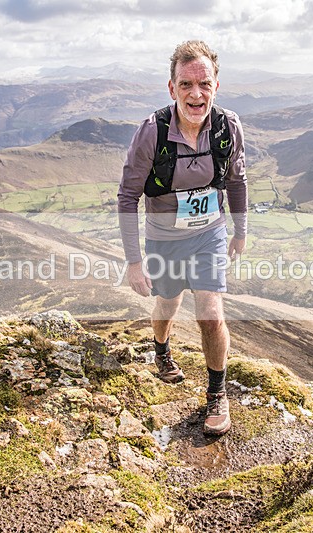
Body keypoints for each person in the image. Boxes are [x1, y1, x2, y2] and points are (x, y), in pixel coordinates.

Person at [117, 40, 247, 436]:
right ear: (172, 88)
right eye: (186, 84)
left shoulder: (228, 128)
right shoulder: (151, 133)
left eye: (204, 84)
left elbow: (238, 179)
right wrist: (134, 262)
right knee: (168, 302)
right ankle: (161, 349)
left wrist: (240, 231)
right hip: (164, 239)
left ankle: (216, 395)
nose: (196, 94)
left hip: (210, 233)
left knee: (210, 311)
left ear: (216, 86)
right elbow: (127, 196)